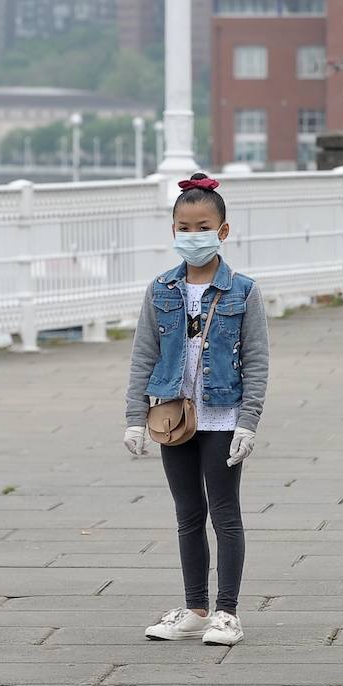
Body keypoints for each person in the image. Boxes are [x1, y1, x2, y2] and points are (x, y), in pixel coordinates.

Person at [124, 174, 269, 647]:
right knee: (187, 514)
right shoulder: (160, 289)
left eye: (202, 226)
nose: (192, 235)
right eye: (183, 227)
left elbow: (257, 360)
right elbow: (143, 355)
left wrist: (248, 421)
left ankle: (227, 613)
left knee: (225, 514)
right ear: (173, 230)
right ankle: (194, 609)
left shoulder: (243, 291)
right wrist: (133, 417)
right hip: (173, 418)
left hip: (223, 417)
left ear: (223, 231)